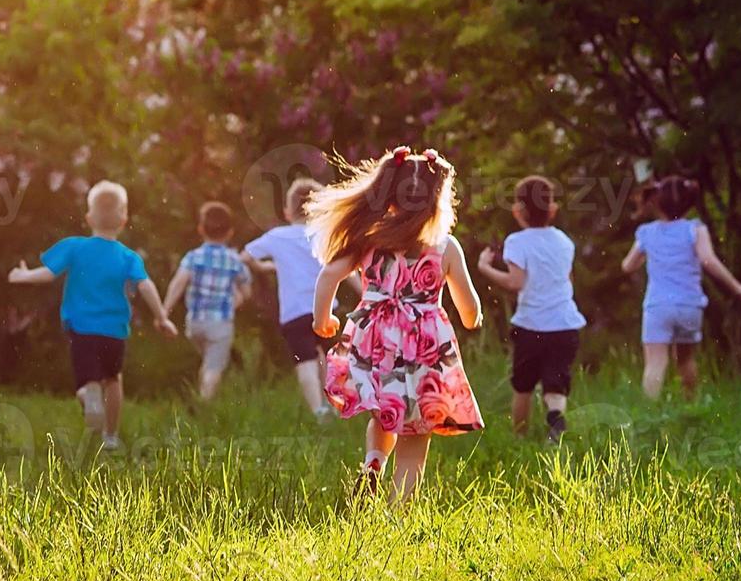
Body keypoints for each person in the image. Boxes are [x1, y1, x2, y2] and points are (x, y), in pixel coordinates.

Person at [308, 146, 485, 502]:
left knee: (387, 410)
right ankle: (397, 513)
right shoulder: (445, 247)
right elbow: (469, 307)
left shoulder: (368, 240)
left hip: (376, 341)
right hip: (424, 347)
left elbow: (329, 275)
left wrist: (322, 318)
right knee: (416, 431)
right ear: (436, 201)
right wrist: (472, 317)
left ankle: (374, 462)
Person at [8, 180, 176, 452]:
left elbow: (48, 273)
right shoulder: (128, 257)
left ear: (89, 218)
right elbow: (146, 285)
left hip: (83, 329)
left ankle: (88, 397)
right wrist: (161, 317)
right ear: (123, 220)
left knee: (89, 381)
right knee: (113, 379)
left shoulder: (74, 247)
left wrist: (23, 275)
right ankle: (110, 436)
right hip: (115, 331)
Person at [476, 175, 587, 443]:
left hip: (531, 326)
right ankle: (555, 418)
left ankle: (520, 440)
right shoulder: (564, 241)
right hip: (565, 324)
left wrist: (485, 267)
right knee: (556, 380)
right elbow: (568, 279)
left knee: (523, 386)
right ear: (552, 209)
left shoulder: (517, 242)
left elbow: (516, 282)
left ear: (518, 210)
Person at [620, 175, 741, 400]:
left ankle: (648, 414)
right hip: (689, 304)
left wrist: (648, 256)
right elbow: (708, 261)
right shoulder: (695, 229)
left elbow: (627, 266)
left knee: (655, 363)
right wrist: (736, 287)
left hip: (658, 306)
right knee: (686, 360)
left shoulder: (647, 232)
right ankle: (690, 407)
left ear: (658, 202)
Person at [242, 178, 352, 420]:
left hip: (293, 312)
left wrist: (262, 267)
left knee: (305, 362)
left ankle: (317, 411)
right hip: (325, 310)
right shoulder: (325, 236)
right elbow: (346, 268)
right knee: (328, 358)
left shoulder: (278, 236)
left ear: (287, 211)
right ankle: (333, 406)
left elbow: (245, 254)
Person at [164, 202, 253, 402]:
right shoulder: (233, 260)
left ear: (201, 229)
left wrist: (164, 312)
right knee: (213, 367)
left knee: (208, 362)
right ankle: (204, 407)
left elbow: (178, 283)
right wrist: (235, 301)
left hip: (195, 323)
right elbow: (246, 291)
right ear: (230, 232)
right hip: (220, 324)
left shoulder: (193, 257)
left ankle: (205, 393)